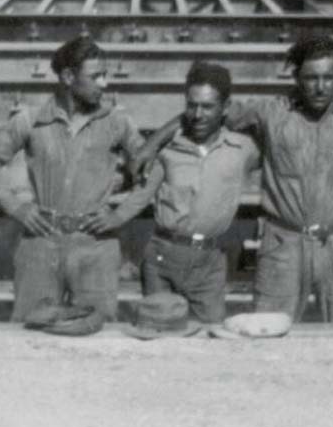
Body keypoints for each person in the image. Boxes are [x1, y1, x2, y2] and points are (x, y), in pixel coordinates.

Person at [133, 35, 333, 323]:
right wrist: (151, 143)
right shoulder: (270, 112)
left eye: (328, 77)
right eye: (311, 78)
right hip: (284, 243)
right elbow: (203, 112)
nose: (320, 87)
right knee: (267, 330)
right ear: (296, 77)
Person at [0, 35, 143, 321]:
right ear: (67, 76)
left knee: (95, 334)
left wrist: (121, 214)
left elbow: (152, 170)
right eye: (96, 76)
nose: (105, 83)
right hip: (41, 243)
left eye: (105, 75)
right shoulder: (31, 119)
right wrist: (17, 208)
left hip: (96, 247)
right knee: (32, 331)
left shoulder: (117, 122)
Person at [85, 62, 259, 324]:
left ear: (225, 108)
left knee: (209, 337)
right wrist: (114, 218)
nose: (198, 114)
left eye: (208, 107)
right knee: (159, 333)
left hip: (210, 261)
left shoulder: (244, 149)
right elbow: (142, 194)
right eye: (191, 105)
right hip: (163, 255)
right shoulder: (168, 150)